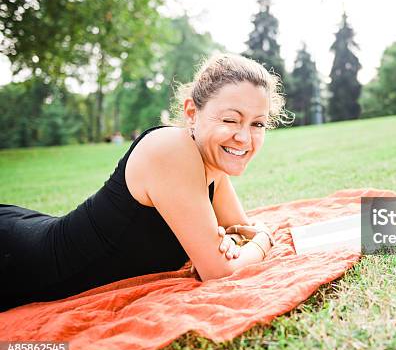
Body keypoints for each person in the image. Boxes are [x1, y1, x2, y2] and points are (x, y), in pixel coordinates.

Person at [0, 53, 293, 312]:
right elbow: (221, 269)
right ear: (192, 112)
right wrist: (264, 240)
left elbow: (240, 232)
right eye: (230, 120)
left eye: (257, 124)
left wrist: (237, 241)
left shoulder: (213, 169)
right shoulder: (171, 148)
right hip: (18, 260)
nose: (244, 138)